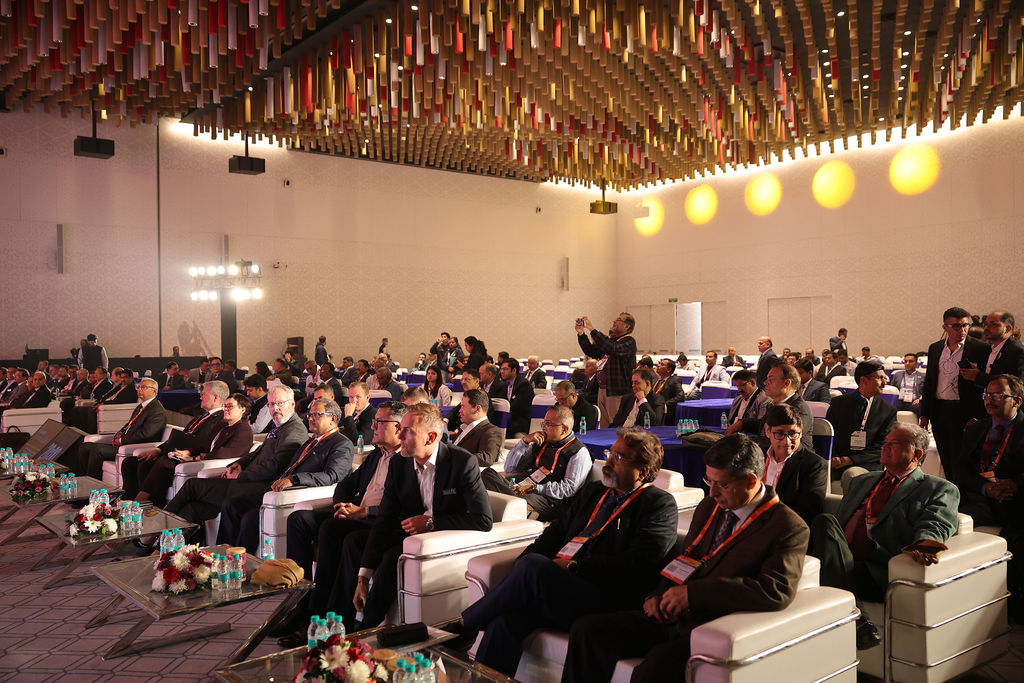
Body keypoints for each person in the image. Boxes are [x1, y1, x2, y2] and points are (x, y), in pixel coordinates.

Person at [562, 433, 809, 681]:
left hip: (712, 625)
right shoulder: (710, 507)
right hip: (671, 615)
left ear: (751, 480)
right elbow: (684, 558)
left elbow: (775, 590)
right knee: (588, 632)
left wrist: (694, 595)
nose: (712, 493)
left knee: (655, 668)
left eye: (721, 484)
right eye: (708, 480)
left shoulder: (786, 527)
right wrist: (657, 595)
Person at [463, 428, 678, 677]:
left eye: (619, 457)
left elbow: (640, 563)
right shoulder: (595, 491)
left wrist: (576, 567)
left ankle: (465, 626)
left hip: (604, 597)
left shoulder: (658, 504)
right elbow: (556, 532)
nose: (607, 461)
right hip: (562, 589)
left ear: (643, 470)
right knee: (505, 622)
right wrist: (520, 570)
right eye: (610, 453)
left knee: (534, 566)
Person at [340, 404, 492, 631]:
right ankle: (343, 616)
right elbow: (385, 519)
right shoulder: (399, 463)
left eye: (408, 431)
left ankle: (364, 630)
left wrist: (431, 523)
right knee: (354, 540)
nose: (399, 435)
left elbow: (483, 520)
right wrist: (363, 577)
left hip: (441, 539)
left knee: (394, 555)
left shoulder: (462, 463)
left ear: (431, 437)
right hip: (409, 533)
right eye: (400, 428)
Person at [810, 423, 959, 648]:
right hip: (839, 556)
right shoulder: (862, 481)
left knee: (825, 522)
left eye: (894, 444)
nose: (884, 448)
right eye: (885, 443)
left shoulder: (937, 488)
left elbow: (937, 522)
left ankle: (856, 616)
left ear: (917, 454)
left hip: (877, 566)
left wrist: (926, 542)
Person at [274, 401, 408, 646]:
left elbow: (401, 507)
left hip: (376, 519)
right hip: (355, 513)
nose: (373, 427)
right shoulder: (378, 454)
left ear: (399, 428)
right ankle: (300, 601)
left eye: (379, 422)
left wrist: (363, 512)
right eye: (375, 421)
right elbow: (347, 484)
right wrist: (342, 505)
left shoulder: (407, 459)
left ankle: (321, 617)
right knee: (299, 520)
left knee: (333, 530)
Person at [164, 385, 309, 544]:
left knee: (192, 485)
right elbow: (260, 450)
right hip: (246, 479)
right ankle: (178, 551)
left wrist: (241, 474)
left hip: (257, 486)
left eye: (280, 403)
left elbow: (275, 466)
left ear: (292, 404)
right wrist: (239, 463)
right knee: (191, 509)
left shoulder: (295, 430)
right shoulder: (281, 424)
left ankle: (157, 535)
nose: (275, 408)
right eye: (271, 404)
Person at [221, 396, 354, 554]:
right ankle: (224, 554)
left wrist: (294, 479)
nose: (310, 418)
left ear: (333, 418)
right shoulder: (312, 440)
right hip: (278, 487)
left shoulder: (341, 443)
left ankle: (241, 561)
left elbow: (331, 476)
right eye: (309, 415)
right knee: (232, 503)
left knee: (251, 517)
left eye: (316, 415)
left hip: (298, 493)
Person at [955, 375, 1024, 620]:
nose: (990, 400)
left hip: (1017, 499)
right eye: (987, 395)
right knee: (947, 516)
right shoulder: (976, 428)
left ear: (1016, 400)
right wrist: (987, 489)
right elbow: (960, 470)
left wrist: (1014, 484)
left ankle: (1010, 606)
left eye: (998, 395)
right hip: (981, 498)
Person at [120, 381, 230, 505]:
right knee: (131, 462)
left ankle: (144, 503)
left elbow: (203, 444)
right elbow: (179, 438)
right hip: (173, 452)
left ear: (215, 397)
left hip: (186, 457)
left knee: (158, 464)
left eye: (203, 394)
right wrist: (158, 449)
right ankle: (126, 501)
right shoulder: (200, 417)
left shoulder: (221, 420)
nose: (200, 397)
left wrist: (186, 454)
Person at [481, 405, 593, 521]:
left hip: (551, 501)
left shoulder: (578, 452)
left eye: (548, 424)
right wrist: (524, 442)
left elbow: (568, 489)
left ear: (564, 429)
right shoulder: (541, 443)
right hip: (525, 489)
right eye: (543, 423)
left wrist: (534, 488)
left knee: (507, 498)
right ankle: (518, 504)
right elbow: (511, 469)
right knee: (487, 474)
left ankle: (519, 506)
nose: (543, 428)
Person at [920, 306, 990, 479]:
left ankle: (965, 498)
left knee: (962, 458)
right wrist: (925, 414)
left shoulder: (980, 348)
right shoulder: (935, 348)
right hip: (939, 409)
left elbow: (984, 385)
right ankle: (951, 492)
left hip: (964, 410)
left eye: (965, 325)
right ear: (945, 328)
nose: (962, 330)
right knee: (945, 454)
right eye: (956, 326)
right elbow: (929, 382)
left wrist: (977, 416)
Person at [69, 378, 167, 479]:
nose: (139, 390)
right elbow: (128, 424)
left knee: (95, 450)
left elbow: (146, 435)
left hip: (134, 446)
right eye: (138, 387)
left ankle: (93, 483)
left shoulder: (156, 410)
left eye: (144, 387)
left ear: (154, 391)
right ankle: (81, 478)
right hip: (125, 442)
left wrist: (121, 440)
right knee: (84, 446)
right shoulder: (141, 406)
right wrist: (118, 434)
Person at [826, 362, 897, 479]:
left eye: (885, 378)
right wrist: (834, 457)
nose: (884, 382)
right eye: (879, 378)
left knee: (852, 475)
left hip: (867, 463)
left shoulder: (888, 410)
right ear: (863, 380)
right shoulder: (838, 403)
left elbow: (883, 446)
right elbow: (829, 435)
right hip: (836, 461)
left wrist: (850, 460)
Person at [761, 405, 827, 525]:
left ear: (801, 431)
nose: (787, 441)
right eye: (779, 434)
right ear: (768, 431)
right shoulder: (758, 455)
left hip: (786, 529)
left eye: (792, 434)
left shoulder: (814, 465)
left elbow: (807, 513)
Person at [729, 364, 813, 451]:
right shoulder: (774, 404)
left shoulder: (799, 409)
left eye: (771, 379)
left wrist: (741, 442)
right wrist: (742, 423)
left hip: (792, 460)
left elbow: (780, 440)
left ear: (786, 383)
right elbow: (763, 427)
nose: (765, 382)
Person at [576, 312, 638, 429]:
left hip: (616, 391)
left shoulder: (629, 341)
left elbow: (612, 348)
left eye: (619, 320)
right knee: (604, 425)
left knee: (615, 423)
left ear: (627, 326)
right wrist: (581, 333)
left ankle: (617, 446)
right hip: (603, 389)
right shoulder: (612, 340)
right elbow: (591, 351)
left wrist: (591, 329)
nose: (614, 321)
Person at [961, 311, 1024, 387]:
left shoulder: (1016, 351)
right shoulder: (990, 347)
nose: (986, 328)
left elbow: (1016, 384)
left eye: (993, 324)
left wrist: (978, 376)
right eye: (986, 324)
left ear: (1007, 329)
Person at [449, 389, 503, 467]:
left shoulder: (491, 431)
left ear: (477, 409)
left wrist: (455, 456)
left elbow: (487, 458)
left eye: (463, 406)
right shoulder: (465, 427)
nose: (460, 410)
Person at [498, 359, 535, 438]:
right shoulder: (505, 384)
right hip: (509, 417)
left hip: (520, 420)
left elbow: (517, 407)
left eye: (505, 369)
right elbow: (501, 402)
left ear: (514, 370)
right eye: (501, 369)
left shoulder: (523, 385)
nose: (502, 372)